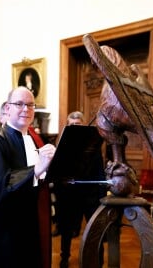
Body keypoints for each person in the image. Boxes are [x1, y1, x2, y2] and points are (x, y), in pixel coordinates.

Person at [0, 86, 56, 268]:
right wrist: (36, 170)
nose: (26, 110)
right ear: (7, 108)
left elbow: (41, 178)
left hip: (31, 218)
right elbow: (0, 184)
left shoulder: (33, 139)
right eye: (19, 104)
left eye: (30, 105)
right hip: (6, 225)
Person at [52, 111, 106, 268]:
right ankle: (64, 258)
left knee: (96, 231)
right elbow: (57, 174)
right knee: (66, 231)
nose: (75, 127)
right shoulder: (62, 146)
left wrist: (102, 197)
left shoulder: (93, 146)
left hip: (90, 197)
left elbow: (99, 172)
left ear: (83, 125)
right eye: (72, 125)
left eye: (78, 125)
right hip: (69, 197)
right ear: (67, 126)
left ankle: (98, 261)